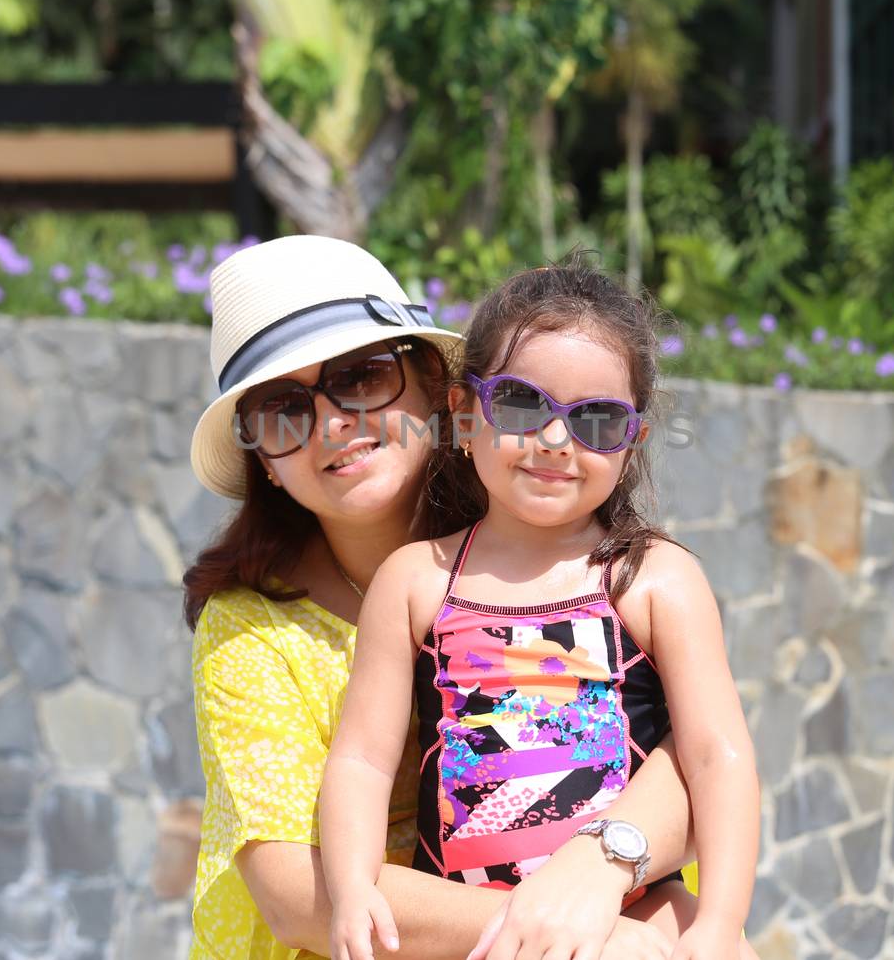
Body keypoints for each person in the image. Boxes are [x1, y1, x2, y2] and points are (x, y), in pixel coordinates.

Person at [183, 237, 715, 960]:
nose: (334, 420)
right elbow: (294, 895)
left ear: (436, 387)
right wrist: (598, 932)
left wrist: (602, 864)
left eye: (361, 376)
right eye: (282, 407)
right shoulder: (249, 629)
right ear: (263, 461)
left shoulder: (541, 541)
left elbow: (702, 753)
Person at [319, 262, 760, 960]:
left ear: (631, 443)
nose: (557, 440)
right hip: (473, 926)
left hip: (640, 911)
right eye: (523, 405)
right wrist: (350, 887)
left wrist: (721, 923)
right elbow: (364, 761)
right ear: (466, 415)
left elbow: (718, 756)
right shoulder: (417, 581)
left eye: (597, 419)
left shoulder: (649, 579)